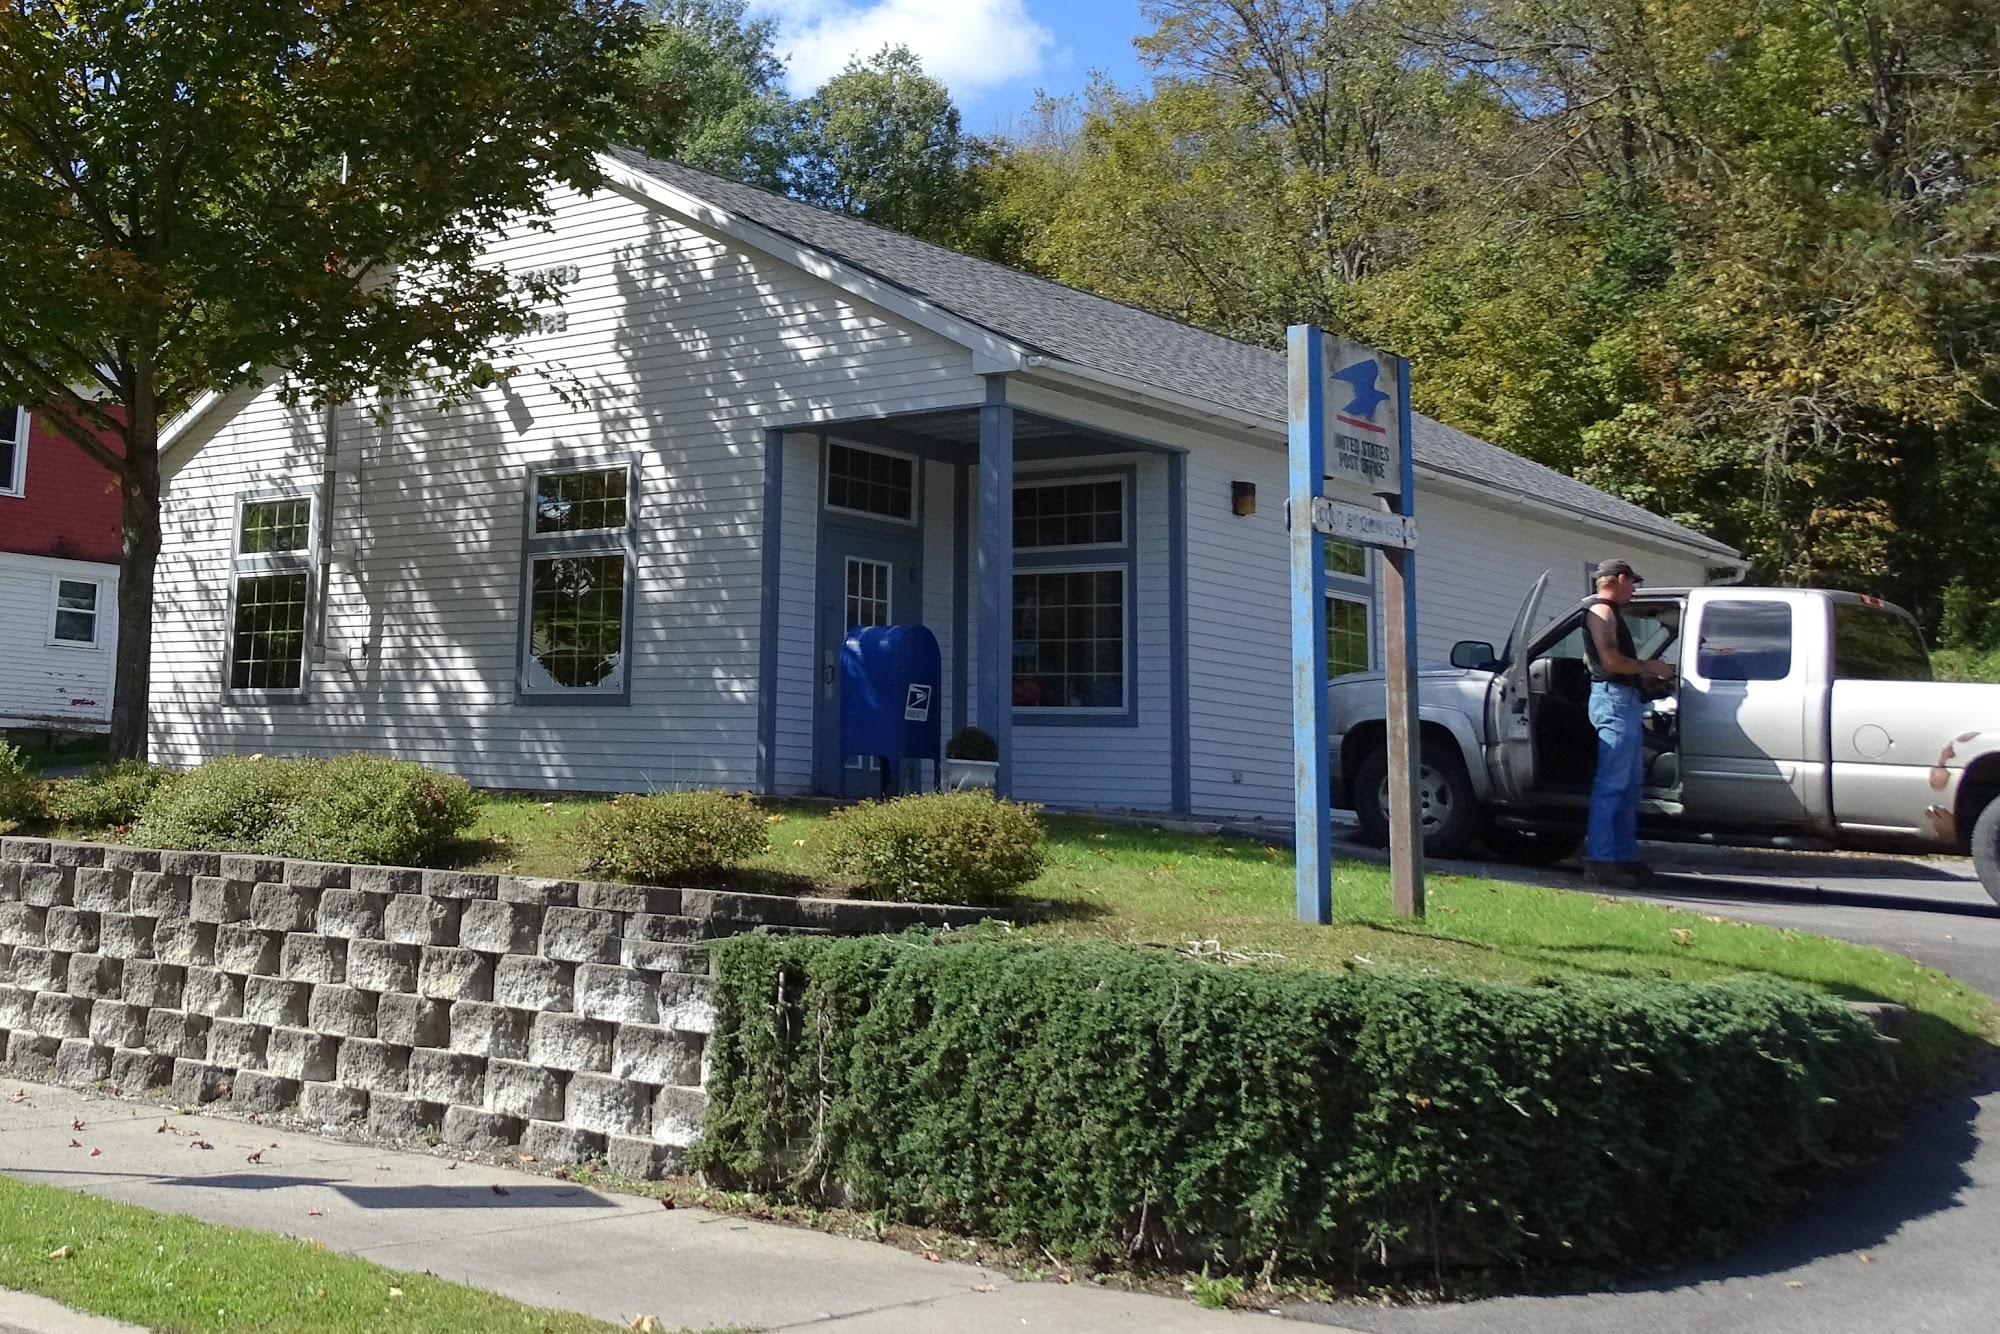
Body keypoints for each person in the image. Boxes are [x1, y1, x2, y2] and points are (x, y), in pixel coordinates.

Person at [1580, 559, 1675, 888]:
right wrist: (1649, 667)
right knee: (1611, 785)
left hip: (1624, 699)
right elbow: (1610, 660)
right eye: (1632, 583)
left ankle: (1624, 857)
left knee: (1630, 785)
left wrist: (1643, 679)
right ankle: (1600, 861)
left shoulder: (1609, 613)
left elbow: (1603, 661)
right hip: (1613, 701)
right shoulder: (1602, 612)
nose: (1633, 589)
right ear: (1620, 579)